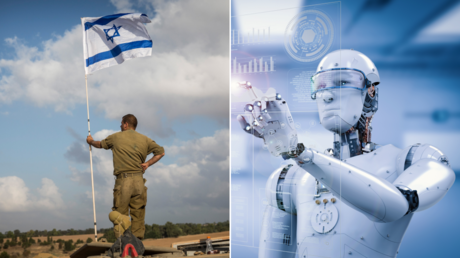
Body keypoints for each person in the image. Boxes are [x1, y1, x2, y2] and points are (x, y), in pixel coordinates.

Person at [86, 114, 165, 239]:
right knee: (138, 216)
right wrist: (148, 163)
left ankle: (122, 246)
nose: (120, 125)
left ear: (126, 124)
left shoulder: (116, 137)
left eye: (121, 123)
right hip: (139, 182)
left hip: (124, 181)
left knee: (120, 216)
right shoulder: (145, 139)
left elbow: (99, 144)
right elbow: (161, 152)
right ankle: (136, 245)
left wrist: (90, 141)